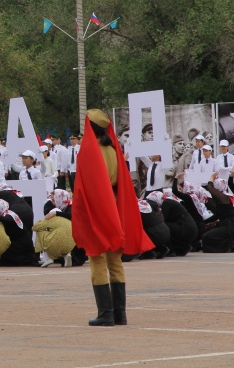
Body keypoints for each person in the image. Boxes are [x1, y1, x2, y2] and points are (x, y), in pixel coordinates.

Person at [72, 109, 153, 327]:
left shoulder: (89, 150)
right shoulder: (113, 148)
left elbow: (85, 187)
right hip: (116, 206)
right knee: (115, 262)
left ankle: (105, 313)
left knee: (97, 257)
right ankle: (120, 314)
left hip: (99, 206)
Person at [0, 198, 37, 267]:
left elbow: (4, 219)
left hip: (21, 245)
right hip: (15, 243)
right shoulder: (2, 214)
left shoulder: (10, 215)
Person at [147, 188, 197, 257]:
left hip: (186, 228)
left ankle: (171, 250)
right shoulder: (168, 202)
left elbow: (161, 220)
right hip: (187, 228)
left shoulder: (166, 203)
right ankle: (182, 248)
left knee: (163, 228)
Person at [33, 189, 75, 267]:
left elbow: (36, 227)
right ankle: (65, 255)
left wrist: (56, 213)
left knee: (40, 230)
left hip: (75, 245)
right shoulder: (65, 207)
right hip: (73, 245)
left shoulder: (68, 209)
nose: (53, 203)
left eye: (54, 200)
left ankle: (48, 257)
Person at [200, 178, 234, 253]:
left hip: (231, 228)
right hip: (228, 226)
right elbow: (216, 216)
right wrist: (203, 222)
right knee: (206, 233)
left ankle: (230, 245)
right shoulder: (221, 200)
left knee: (206, 237)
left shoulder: (225, 198)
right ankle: (230, 244)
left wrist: (211, 179)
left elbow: (210, 188)